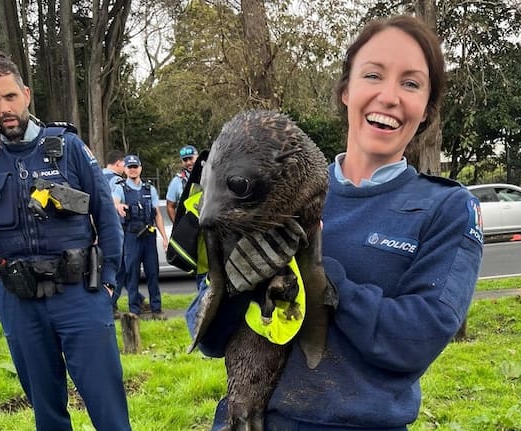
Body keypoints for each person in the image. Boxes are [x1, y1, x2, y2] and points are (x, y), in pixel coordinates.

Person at [186, 15, 484, 430]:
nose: (389, 96)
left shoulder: (446, 208)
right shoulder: (271, 183)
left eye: (411, 83)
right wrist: (235, 287)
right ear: (347, 90)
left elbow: (416, 340)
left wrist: (323, 278)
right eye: (373, 74)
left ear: (427, 108)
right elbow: (208, 339)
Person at [0, 49, 131, 430]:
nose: (4, 107)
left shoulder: (66, 146)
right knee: (47, 414)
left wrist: (110, 281)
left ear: (26, 94)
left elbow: (106, 216)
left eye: (10, 96)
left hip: (80, 295)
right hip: (18, 301)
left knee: (108, 409)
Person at [113, 154, 169, 319]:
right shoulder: (120, 188)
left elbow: (157, 214)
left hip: (149, 236)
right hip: (131, 237)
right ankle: (134, 312)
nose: (133, 170)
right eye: (129, 167)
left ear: (140, 168)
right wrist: (118, 205)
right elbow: (113, 202)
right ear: (125, 170)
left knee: (153, 273)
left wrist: (164, 238)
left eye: (135, 167)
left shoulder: (149, 189)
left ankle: (156, 310)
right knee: (132, 274)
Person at [102, 149, 128, 316]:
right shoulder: (116, 181)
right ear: (118, 163)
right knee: (119, 270)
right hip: (114, 230)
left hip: (97, 231)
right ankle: (110, 305)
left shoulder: (96, 175)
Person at [165, 145, 198, 223]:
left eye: (191, 158)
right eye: (185, 160)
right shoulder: (177, 181)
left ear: (197, 157)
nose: (188, 162)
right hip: (189, 226)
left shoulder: (209, 175)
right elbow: (170, 206)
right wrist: (177, 226)